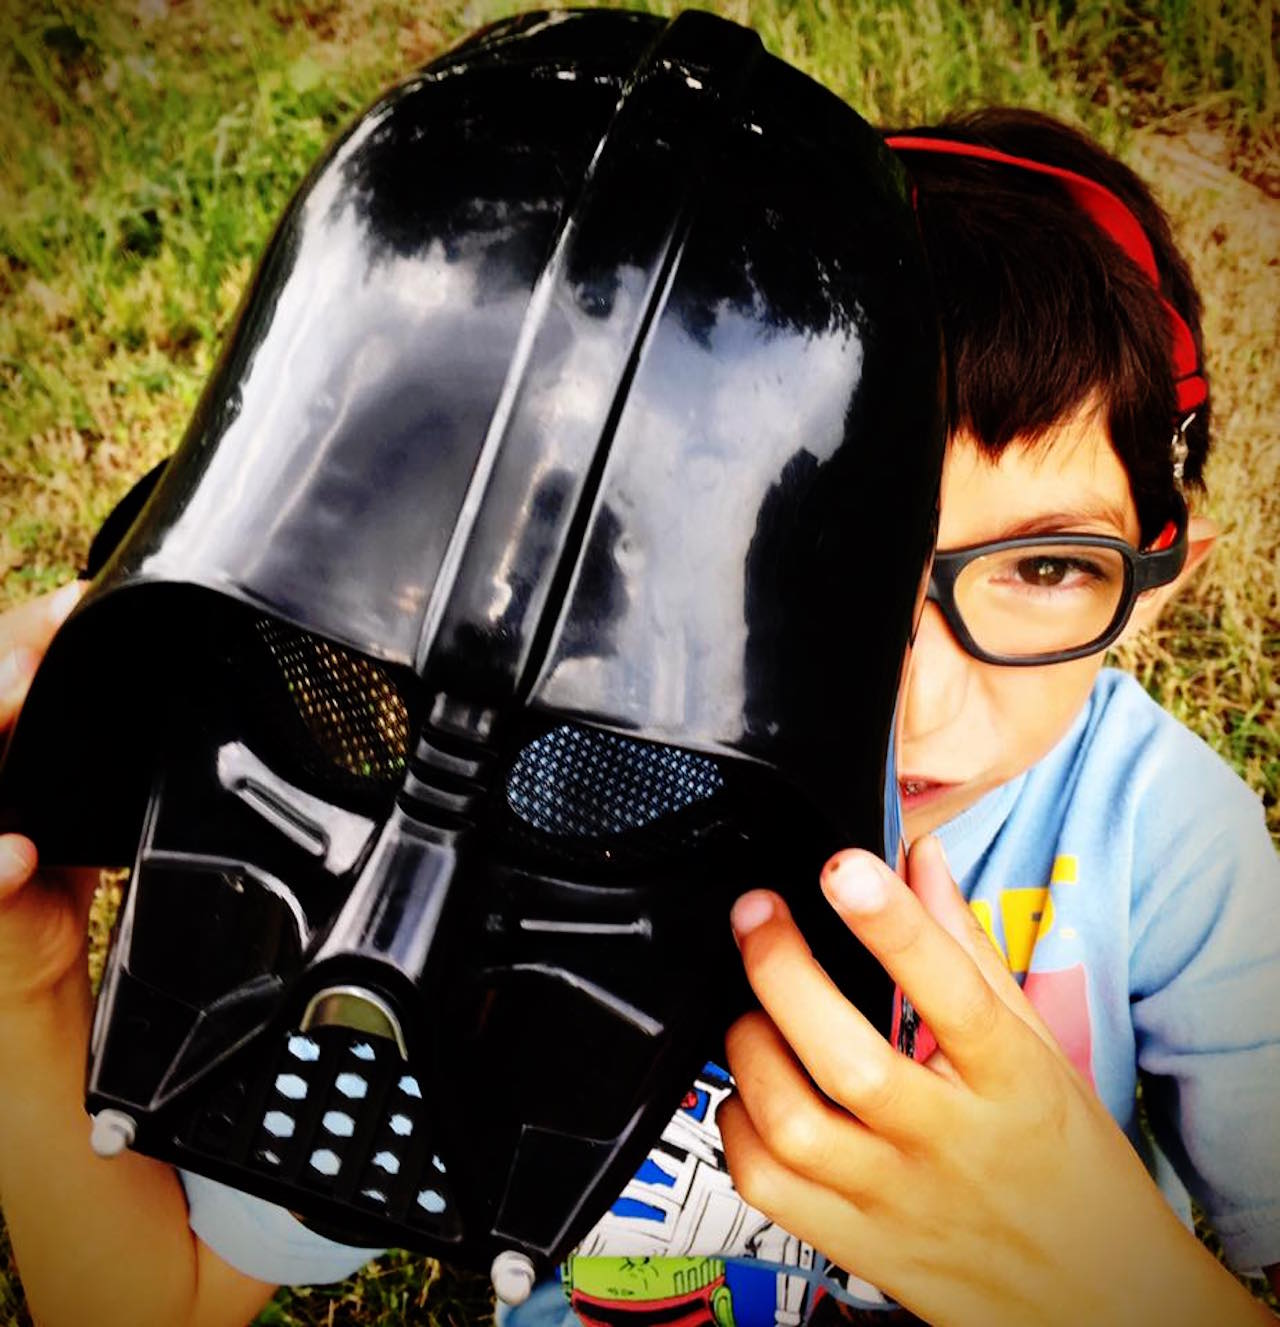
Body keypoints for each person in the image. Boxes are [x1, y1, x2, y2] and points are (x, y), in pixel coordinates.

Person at [0, 107, 1276, 1327]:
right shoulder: (531, 816)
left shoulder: (1165, 848)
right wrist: (31, 987)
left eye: (1043, 568)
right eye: (828, 579)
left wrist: (1109, 1282)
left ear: (1163, 577)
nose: (922, 707)